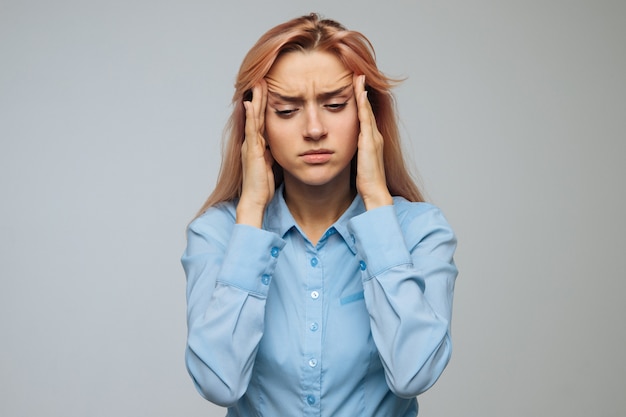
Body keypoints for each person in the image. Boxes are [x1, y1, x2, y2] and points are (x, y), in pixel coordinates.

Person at [181, 13, 458, 417]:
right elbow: (217, 383)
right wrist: (252, 214)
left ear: (368, 115)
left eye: (334, 105)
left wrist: (377, 202)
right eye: (287, 110)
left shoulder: (421, 231)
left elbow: (414, 375)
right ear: (257, 123)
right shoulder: (218, 235)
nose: (314, 129)